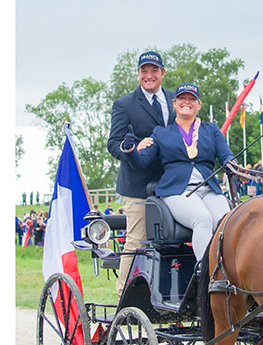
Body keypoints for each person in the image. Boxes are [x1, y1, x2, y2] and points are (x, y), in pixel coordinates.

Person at [121, 83, 235, 261]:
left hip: (208, 189)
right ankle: (205, 272)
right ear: (174, 103)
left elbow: (226, 155)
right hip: (177, 191)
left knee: (226, 221)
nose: (187, 102)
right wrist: (130, 150)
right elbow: (141, 162)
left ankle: (228, 269)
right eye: (182, 98)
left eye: (192, 99)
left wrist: (232, 164)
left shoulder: (211, 130)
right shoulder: (161, 133)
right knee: (202, 219)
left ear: (199, 105)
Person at [107, 51, 176, 296]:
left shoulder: (175, 99)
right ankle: (123, 296)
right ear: (138, 73)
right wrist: (132, 148)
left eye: (154, 70)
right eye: (144, 71)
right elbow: (113, 144)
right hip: (137, 185)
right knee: (137, 239)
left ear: (162, 73)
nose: (149, 76)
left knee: (174, 241)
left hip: (170, 183)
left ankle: (171, 292)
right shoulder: (124, 104)